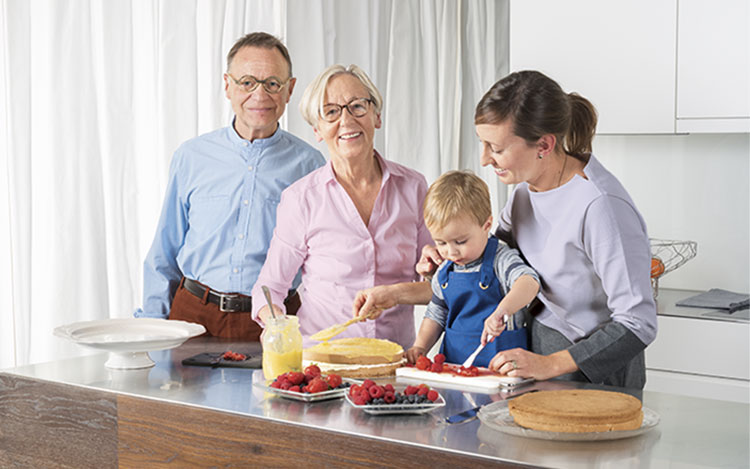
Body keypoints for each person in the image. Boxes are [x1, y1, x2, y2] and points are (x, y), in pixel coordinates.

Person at [355, 70, 657, 389]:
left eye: (496, 148)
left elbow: (638, 324)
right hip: (536, 363)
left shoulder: (602, 207)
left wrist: (550, 363)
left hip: (591, 378)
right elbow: (483, 274)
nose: (485, 159)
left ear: (543, 144)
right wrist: (407, 285)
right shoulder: (523, 195)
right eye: (483, 145)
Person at [135, 32, 325, 340]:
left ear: (289, 89)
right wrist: (152, 329)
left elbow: (324, 261)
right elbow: (164, 252)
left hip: (272, 323)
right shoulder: (191, 156)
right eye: (247, 82)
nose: (260, 95)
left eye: (272, 83)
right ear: (228, 85)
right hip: (192, 314)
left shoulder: (310, 165)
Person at [251, 64, 432, 349]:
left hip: (394, 362)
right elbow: (270, 288)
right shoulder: (301, 199)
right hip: (322, 364)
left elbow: (444, 285)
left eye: (357, 106)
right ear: (317, 130)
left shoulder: (414, 188)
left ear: (377, 116)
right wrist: (275, 326)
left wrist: (396, 293)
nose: (346, 121)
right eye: (331, 112)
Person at [405, 170, 540, 367]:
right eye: (441, 243)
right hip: (455, 369)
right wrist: (420, 347)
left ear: (487, 225)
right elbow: (436, 313)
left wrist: (502, 311)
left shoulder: (500, 259)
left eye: (460, 241)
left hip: (503, 371)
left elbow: (529, 282)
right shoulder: (444, 271)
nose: (451, 252)